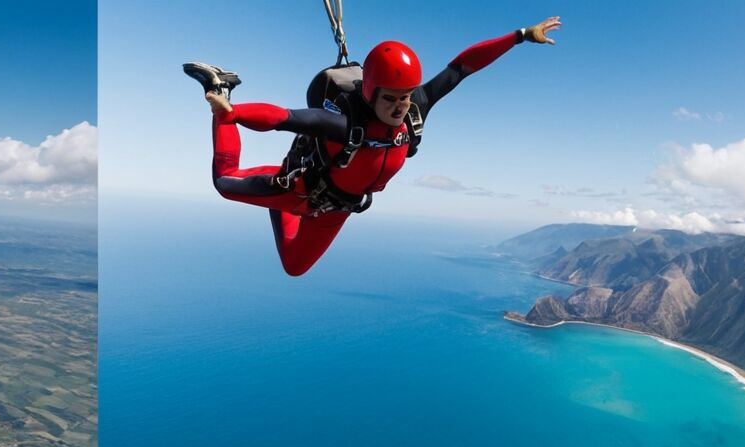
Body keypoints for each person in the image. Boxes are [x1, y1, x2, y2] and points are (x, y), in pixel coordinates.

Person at [183, 17, 560, 276]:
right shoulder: (346, 126)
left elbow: (462, 68)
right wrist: (234, 112)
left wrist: (522, 35)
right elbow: (285, 117)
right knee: (224, 182)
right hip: (301, 190)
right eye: (391, 99)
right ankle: (221, 89)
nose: (401, 106)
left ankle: (275, 203)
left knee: (295, 266)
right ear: (370, 93)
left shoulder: (416, 110)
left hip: (336, 209)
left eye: (406, 96)